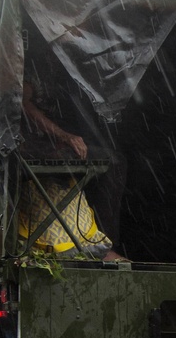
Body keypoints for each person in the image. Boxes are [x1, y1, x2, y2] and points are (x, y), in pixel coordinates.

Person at [19, 80, 124, 259]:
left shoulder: (75, 78)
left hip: (63, 143)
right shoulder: (36, 73)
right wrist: (62, 136)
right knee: (99, 162)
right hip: (34, 145)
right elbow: (23, 102)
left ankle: (103, 240)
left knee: (115, 162)